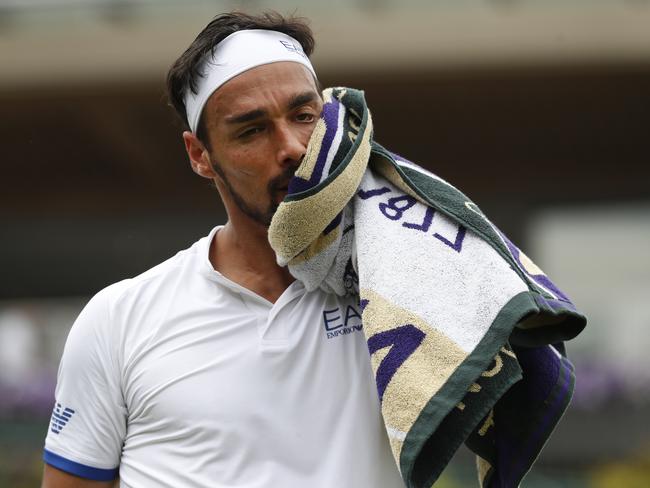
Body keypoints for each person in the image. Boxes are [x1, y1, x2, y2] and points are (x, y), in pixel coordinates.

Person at [41, 11, 406, 488]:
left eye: (304, 115)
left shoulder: (402, 283)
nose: (292, 146)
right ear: (200, 155)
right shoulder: (119, 319)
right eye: (251, 130)